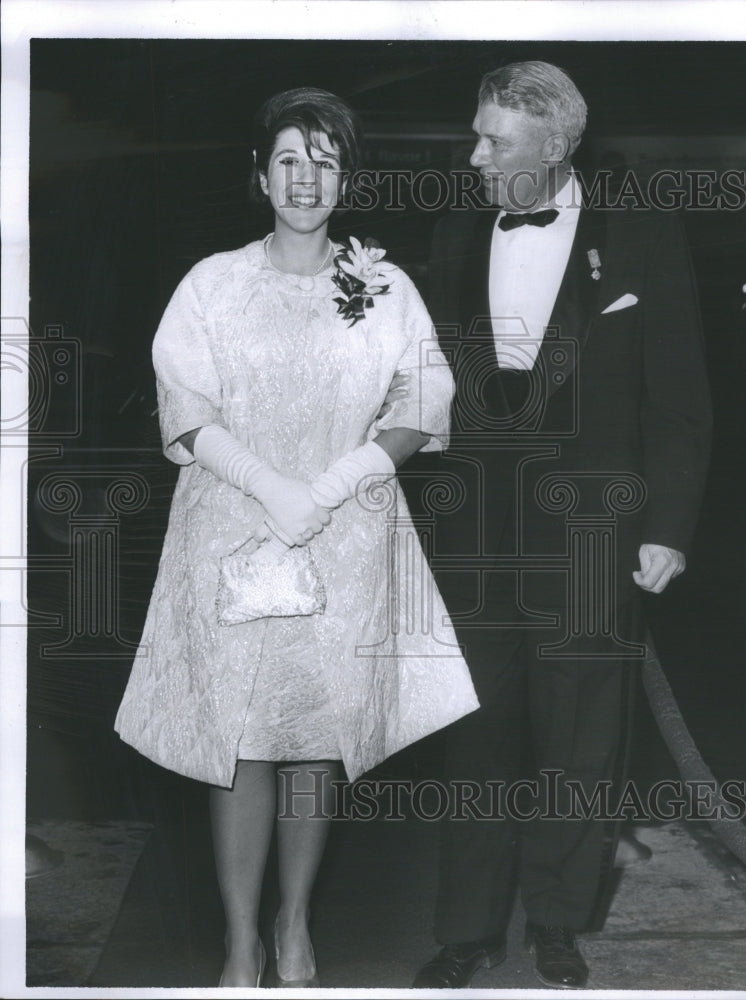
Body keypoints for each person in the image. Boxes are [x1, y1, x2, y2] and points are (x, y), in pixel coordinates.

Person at [114, 87, 478, 989]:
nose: (305, 178)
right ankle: (240, 940)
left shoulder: (385, 287)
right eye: (287, 159)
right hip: (233, 528)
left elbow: (423, 399)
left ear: (344, 178)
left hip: (343, 532)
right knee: (238, 737)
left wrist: (333, 483)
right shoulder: (212, 283)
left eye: (323, 161)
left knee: (318, 736)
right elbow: (187, 405)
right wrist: (270, 485)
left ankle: (295, 923)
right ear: (259, 176)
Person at [410, 61, 712, 989]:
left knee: (582, 738)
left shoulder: (641, 236)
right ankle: (464, 931)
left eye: (492, 139)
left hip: (594, 532)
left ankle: (557, 920)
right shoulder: (458, 229)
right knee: (476, 734)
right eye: (475, 133)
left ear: (556, 143)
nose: (474, 155)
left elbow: (681, 394)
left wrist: (669, 525)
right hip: (475, 536)